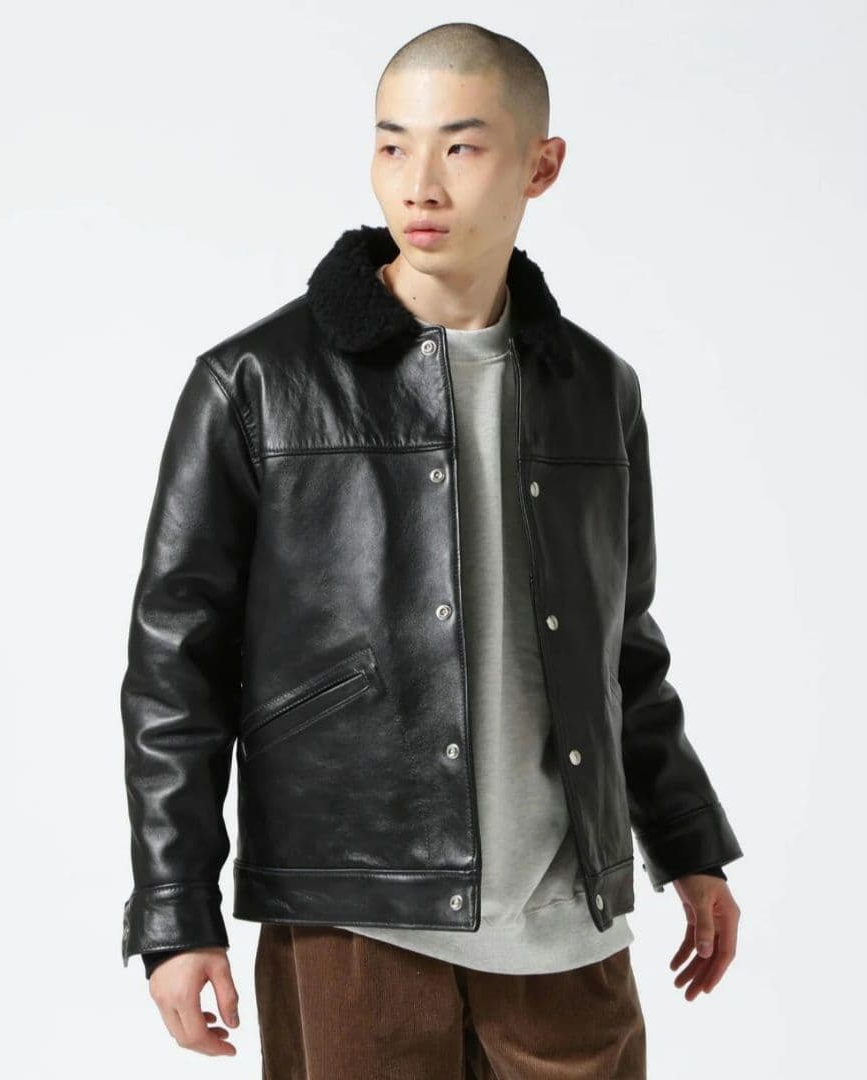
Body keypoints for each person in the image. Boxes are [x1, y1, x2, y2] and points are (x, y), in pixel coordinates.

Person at [120, 21, 743, 1077]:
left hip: (568, 931)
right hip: (354, 918)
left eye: (461, 146)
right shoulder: (258, 383)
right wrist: (175, 912)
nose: (419, 184)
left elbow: (623, 645)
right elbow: (175, 664)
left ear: (541, 165)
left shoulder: (595, 388)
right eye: (392, 144)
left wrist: (688, 843)